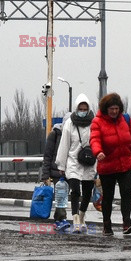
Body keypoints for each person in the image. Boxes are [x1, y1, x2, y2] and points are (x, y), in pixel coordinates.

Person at [90, 93, 131, 236]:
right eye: (111, 109)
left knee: (126, 193)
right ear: (106, 109)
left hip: (125, 164)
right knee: (108, 197)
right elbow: (94, 140)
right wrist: (98, 152)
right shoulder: (97, 122)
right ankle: (107, 225)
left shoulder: (126, 120)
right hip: (107, 166)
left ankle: (127, 223)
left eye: (116, 108)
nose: (114, 112)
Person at [55, 94, 97, 233]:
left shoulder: (94, 123)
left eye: (85, 109)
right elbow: (64, 145)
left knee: (87, 193)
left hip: (89, 162)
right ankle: (75, 219)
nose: (83, 111)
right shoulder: (69, 124)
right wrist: (61, 165)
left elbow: (98, 142)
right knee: (75, 191)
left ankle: (82, 215)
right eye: (81, 108)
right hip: (73, 162)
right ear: (76, 108)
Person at [41, 113, 71, 231]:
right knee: (61, 195)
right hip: (57, 171)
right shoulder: (55, 135)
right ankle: (61, 219)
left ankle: (60, 219)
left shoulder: (74, 136)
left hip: (70, 170)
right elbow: (47, 155)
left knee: (64, 196)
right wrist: (45, 175)